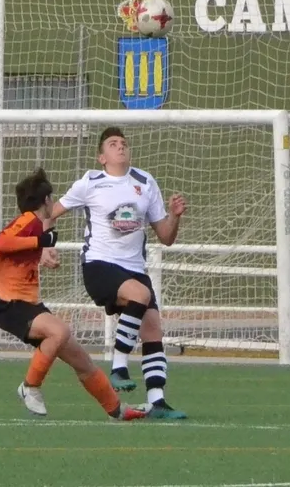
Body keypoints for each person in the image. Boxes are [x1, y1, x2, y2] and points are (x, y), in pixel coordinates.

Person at [0, 168, 151, 421]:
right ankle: (30, 386)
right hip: (12, 305)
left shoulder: (33, 226)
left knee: (82, 361)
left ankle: (117, 409)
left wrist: (35, 255)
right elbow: (1, 244)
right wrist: (39, 244)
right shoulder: (29, 220)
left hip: (28, 305)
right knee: (59, 332)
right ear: (47, 200)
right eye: (53, 198)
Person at [43, 126, 188, 420]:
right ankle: (118, 365)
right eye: (113, 144)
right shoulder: (90, 182)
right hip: (99, 265)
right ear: (102, 157)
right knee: (140, 294)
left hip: (134, 268)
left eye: (123, 143)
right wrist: (44, 247)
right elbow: (48, 216)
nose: (120, 146)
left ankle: (157, 401)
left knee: (152, 327)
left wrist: (174, 216)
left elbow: (166, 236)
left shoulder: (145, 182)